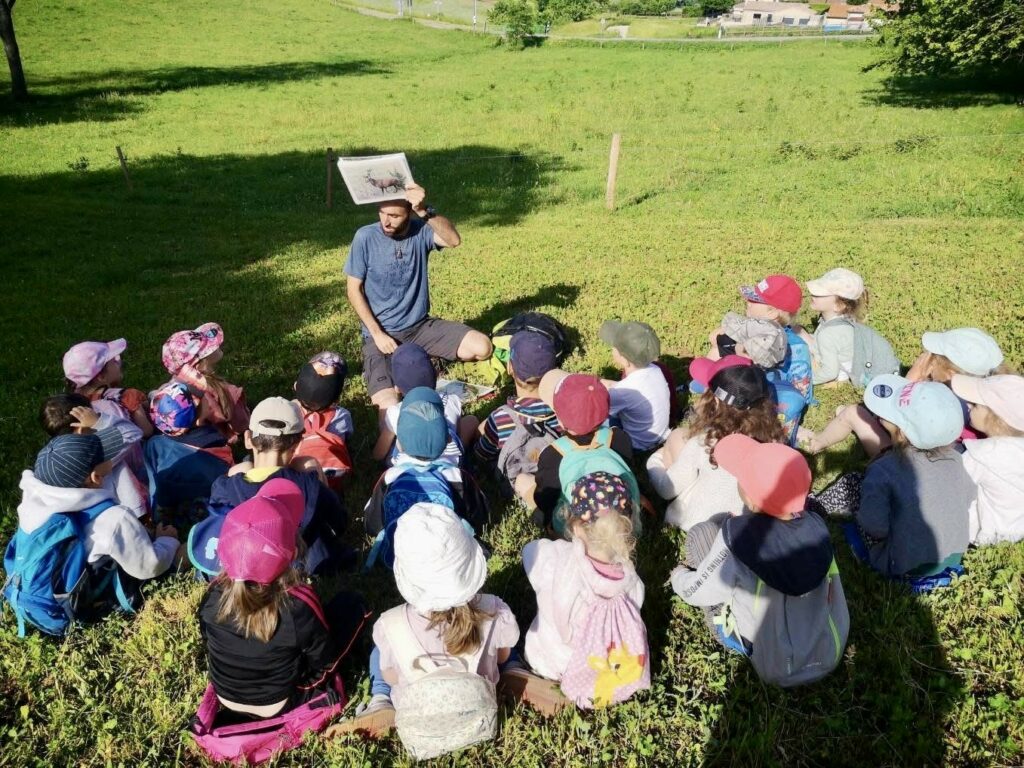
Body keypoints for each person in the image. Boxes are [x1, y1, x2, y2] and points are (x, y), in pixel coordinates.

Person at [671, 434, 849, 687]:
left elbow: (698, 593)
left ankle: (728, 630)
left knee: (701, 535)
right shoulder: (817, 526)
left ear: (752, 499)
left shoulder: (737, 538)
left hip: (772, 663)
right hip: (829, 651)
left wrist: (679, 576)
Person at [344, 503, 519, 738]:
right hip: (479, 705)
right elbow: (502, 656)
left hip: (417, 713)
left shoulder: (390, 626)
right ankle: (516, 670)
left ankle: (380, 700)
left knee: (379, 652)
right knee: (506, 644)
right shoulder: (494, 611)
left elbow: (391, 676)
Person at [198, 478, 365, 719]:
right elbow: (323, 660)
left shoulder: (213, 594)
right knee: (353, 605)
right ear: (294, 552)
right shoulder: (298, 604)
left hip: (225, 694)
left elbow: (207, 637)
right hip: (281, 701)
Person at [343, 184, 492, 413]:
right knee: (388, 406)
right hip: (381, 335)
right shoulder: (365, 237)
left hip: (420, 327)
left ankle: (422, 358)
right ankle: (395, 365)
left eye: (394, 216)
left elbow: (453, 240)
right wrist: (377, 334)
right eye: (382, 213)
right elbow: (353, 290)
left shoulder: (421, 231)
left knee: (483, 347)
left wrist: (424, 211)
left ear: (409, 213)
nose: (386, 221)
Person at [516, 472, 647, 710]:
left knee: (541, 641)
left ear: (576, 526)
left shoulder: (556, 558)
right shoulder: (632, 582)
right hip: (601, 664)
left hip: (551, 660)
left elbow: (530, 552)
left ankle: (546, 679)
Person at [188, 397, 349, 578]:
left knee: (241, 467)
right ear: (297, 445)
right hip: (300, 567)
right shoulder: (310, 486)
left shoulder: (225, 487)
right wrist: (316, 478)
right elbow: (339, 523)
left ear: (248, 439)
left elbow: (215, 519)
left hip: (239, 568)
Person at [800, 327, 1007, 455]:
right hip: (945, 466)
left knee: (853, 413)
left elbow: (891, 415)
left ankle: (815, 443)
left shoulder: (943, 403)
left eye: (933, 359)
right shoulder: (990, 402)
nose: (926, 360)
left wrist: (912, 377)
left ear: (950, 374)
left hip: (907, 464)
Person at [17, 426, 182, 583]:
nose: (111, 455)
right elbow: (149, 567)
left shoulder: (31, 503)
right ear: (95, 478)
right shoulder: (115, 519)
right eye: (106, 454)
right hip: (85, 595)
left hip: (37, 579)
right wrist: (166, 541)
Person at [849, 375, 975, 578]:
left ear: (901, 433)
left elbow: (875, 527)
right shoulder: (955, 458)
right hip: (954, 555)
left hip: (905, 563)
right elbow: (969, 496)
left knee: (852, 484)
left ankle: (816, 505)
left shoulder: (883, 469)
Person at [648, 360, 785, 531]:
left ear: (717, 401)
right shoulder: (775, 444)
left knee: (677, 438)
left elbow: (667, 489)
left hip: (695, 527)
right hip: (743, 531)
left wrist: (655, 460)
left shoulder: (705, 442)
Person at [517, 372, 638, 535]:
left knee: (522, 481)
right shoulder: (619, 438)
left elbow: (545, 498)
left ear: (560, 420)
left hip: (577, 531)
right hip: (620, 521)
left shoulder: (553, 454)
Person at [39, 394, 150, 520]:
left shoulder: (52, 459)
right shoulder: (98, 448)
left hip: (90, 518)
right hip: (125, 512)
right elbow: (133, 432)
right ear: (81, 429)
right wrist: (98, 421)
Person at [475, 331, 562, 490]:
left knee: (482, 428)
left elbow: (482, 455)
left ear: (510, 367)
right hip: (556, 477)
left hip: (513, 486)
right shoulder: (564, 412)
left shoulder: (501, 418)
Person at [372, 343, 477, 466]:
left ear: (397, 389)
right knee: (471, 420)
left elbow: (379, 454)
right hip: (449, 464)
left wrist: (375, 454)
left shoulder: (395, 412)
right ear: (436, 375)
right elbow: (456, 431)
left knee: (391, 449)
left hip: (407, 466)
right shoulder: (452, 400)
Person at [949, 374, 1024, 545]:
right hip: (1016, 531)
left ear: (996, 419)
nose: (968, 405)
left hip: (984, 536)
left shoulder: (982, 455)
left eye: (975, 404)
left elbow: (951, 487)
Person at [162, 322, 250, 443]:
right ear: (200, 364)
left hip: (191, 441)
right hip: (218, 440)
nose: (216, 346)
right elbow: (241, 424)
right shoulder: (227, 392)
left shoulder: (171, 390)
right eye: (208, 348)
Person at [598, 320, 671, 452]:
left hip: (637, 445)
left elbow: (599, 408)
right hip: (658, 435)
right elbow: (629, 390)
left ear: (625, 361)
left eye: (614, 347)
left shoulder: (623, 392)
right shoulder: (656, 370)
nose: (612, 349)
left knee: (594, 420)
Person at [63, 337, 153, 439]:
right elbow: (146, 431)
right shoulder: (127, 396)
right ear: (101, 377)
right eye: (114, 361)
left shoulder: (72, 406)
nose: (119, 361)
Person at [292, 352, 354, 491]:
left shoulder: (287, 413)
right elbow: (347, 435)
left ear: (296, 386)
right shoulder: (342, 416)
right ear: (336, 400)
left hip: (296, 479)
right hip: (331, 483)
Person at [796, 268, 868, 386]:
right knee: (798, 332)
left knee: (793, 351)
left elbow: (830, 372)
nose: (813, 295)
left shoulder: (829, 334)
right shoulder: (842, 320)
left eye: (820, 294)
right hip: (838, 361)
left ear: (838, 306)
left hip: (835, 372)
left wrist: (804, 381)